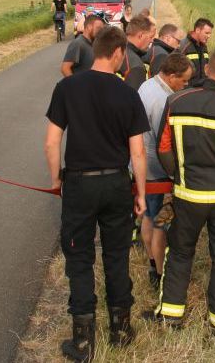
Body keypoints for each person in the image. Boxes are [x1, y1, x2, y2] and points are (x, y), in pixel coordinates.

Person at [44, 26, 150, 361]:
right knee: (116, 255)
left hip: (79, 183)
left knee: (79, 258)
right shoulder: (128, 94)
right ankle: (121, 330)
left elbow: (51, 142)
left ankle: (83, 341)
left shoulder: (67, 87)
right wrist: (141, 193)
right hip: (116, 183)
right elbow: (138, 153)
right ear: (117, 53)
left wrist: (56, 180)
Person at [147, 48, 215, 334]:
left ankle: (171, 313)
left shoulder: (176, 101)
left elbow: (163, 147)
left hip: (187, 194)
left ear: (206, 70)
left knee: (180, 252)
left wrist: (177, 174)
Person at [137, 53, 194, 290]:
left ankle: (152, 261)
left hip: (143, 168)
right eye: (184, 80)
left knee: (148, 217)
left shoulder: (148, 84)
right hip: (158, 171)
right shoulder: (163, 102)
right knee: (161, 224)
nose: (186, 85)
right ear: (171, 76)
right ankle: (160, 274)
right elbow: (165, 143)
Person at [117, 15, 156, 91]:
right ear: (141, 36)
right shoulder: (136, 66)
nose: (152, 41)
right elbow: (133, 96)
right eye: (151, 37)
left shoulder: (114, 48)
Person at [61, 13, 105, 77]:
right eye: (98, 28)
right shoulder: (78, 43)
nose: (101, 31)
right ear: (89, 27)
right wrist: (76, 82)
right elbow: (65, 69)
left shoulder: (94, 44)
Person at [177, 18, 214, 87]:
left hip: (201, 89)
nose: (209, 36)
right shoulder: (184, 46)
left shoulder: (204, 47)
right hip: (187, 90)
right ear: (197, 30)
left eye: (210, 33)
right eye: (206, 33)